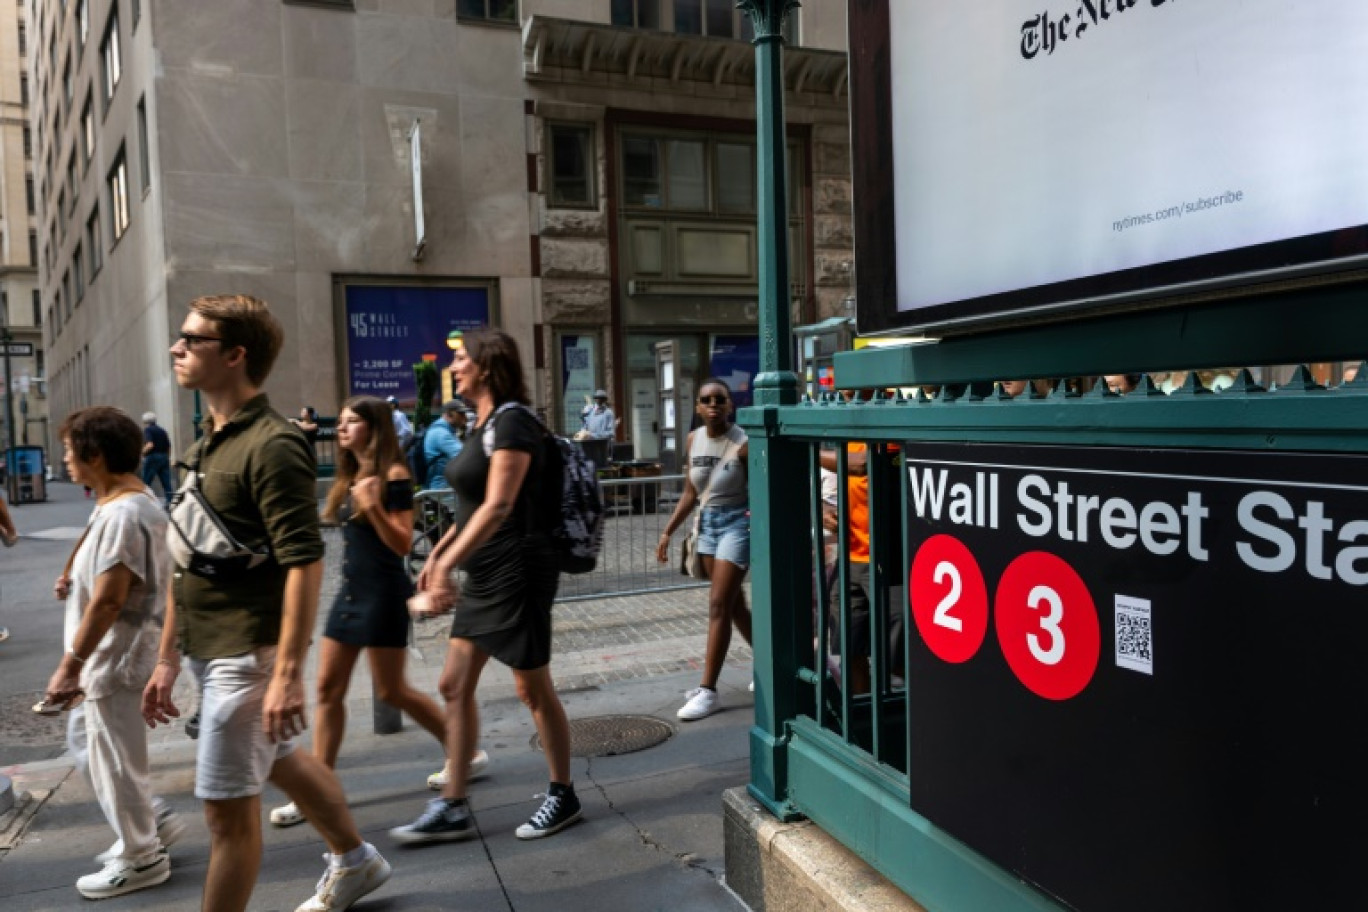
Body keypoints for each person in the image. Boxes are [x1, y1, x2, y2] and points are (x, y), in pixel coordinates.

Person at [141, 294, 390, 912]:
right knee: (284, 761)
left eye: (190, 339)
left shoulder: (273, 444)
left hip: (247, 656)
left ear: (234, 355)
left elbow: (304, 560)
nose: (177, 347)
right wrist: (168, 657)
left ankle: (353, 862)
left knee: (226, 821)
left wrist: (285, 672)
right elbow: (187, 560)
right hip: (208, 648)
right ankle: (356, 861)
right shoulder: (206, 443)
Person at [390, 327, 581, 844]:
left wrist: (448, 560)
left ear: (487, 365)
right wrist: (438, 559)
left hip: (519, 567)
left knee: (531, 688)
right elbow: (471, 507)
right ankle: (452, 802)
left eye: (461, 359)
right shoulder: (485, 423)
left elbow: (499, 505)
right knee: (453, 684)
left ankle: (563, 793)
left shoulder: (515, 422)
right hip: (487, 570)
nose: (454, 368)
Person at [269, 396, 486, 829]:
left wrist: (371, 506)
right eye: (342, 420)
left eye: (352, 421)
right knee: (328, 688)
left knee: (392, 691)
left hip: (384, 593)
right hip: (350, 592)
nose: (342, 429)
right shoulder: (352, 474)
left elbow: (404, 543)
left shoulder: (395, 475)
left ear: (374, 428)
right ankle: (319, 787)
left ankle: (462, 750)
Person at [42, 406, 185, 899]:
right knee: (91, 745)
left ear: (95, 454)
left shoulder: (125, 512)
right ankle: (148, 824)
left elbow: (108, 600)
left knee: (116, 758)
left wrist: (69, 666)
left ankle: (142, 855)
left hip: (114, 658)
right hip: (113, 657)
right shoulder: (122, 502)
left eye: (68, 450)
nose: (64, 459)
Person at [654, 378, 753, 721]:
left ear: (730, 405)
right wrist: (668, 531)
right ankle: (769, 666)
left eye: (719, 399)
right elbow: (689, 493)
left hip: (737, 524)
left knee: (717, 604)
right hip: (706, 525)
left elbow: (761, 487)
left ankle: (708, 690)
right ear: (697, 407)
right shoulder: (693, 439)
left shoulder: (744, 442)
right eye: (706, 400)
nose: (713, 405)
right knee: (733, 605)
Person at [422, 399, 466, 491]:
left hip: (442, 488)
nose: (464, 417)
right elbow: (464, 457)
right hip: (442, 490)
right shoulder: (441, 434)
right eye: (461, 414)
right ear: (449, 414)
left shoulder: (443, 430)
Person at [140, 413, 174, 506]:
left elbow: (150, 445)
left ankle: (144, 502)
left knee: (146, 481)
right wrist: (168, 457)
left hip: (152, 457)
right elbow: (168, 446)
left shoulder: (148, 430)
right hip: (164, 456)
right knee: (166, 482)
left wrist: (141, 453)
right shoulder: (162, 430)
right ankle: (170, 501)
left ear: (145, 421)